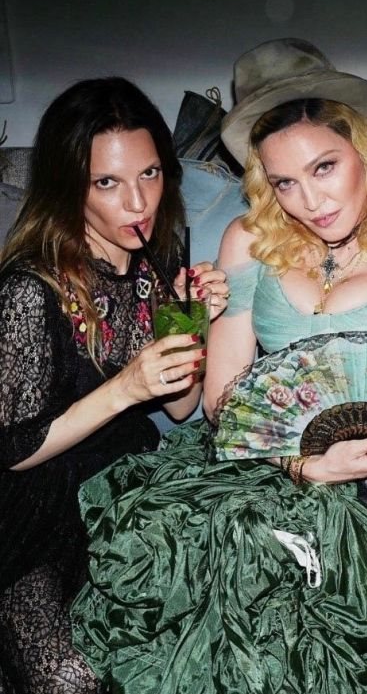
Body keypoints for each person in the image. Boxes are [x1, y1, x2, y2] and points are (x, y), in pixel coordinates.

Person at [70, 39, 367, 693]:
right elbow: (220, 398)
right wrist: (298, 463)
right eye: (283, 182)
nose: (309, 200)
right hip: (253, 458)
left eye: (323, 167)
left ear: (365, 154)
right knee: (212, 540)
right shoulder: (249, 241)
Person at [0, 76, 228, 694]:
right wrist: (125, 387)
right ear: (67, 186)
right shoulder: (30, 290)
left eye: (149, 174)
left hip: (127, 494)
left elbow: (180, 408)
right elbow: (13, 450)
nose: (137, 203)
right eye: (107, 182)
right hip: (36, 514)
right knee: (69, 679)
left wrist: (195, 325)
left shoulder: (158, 259)